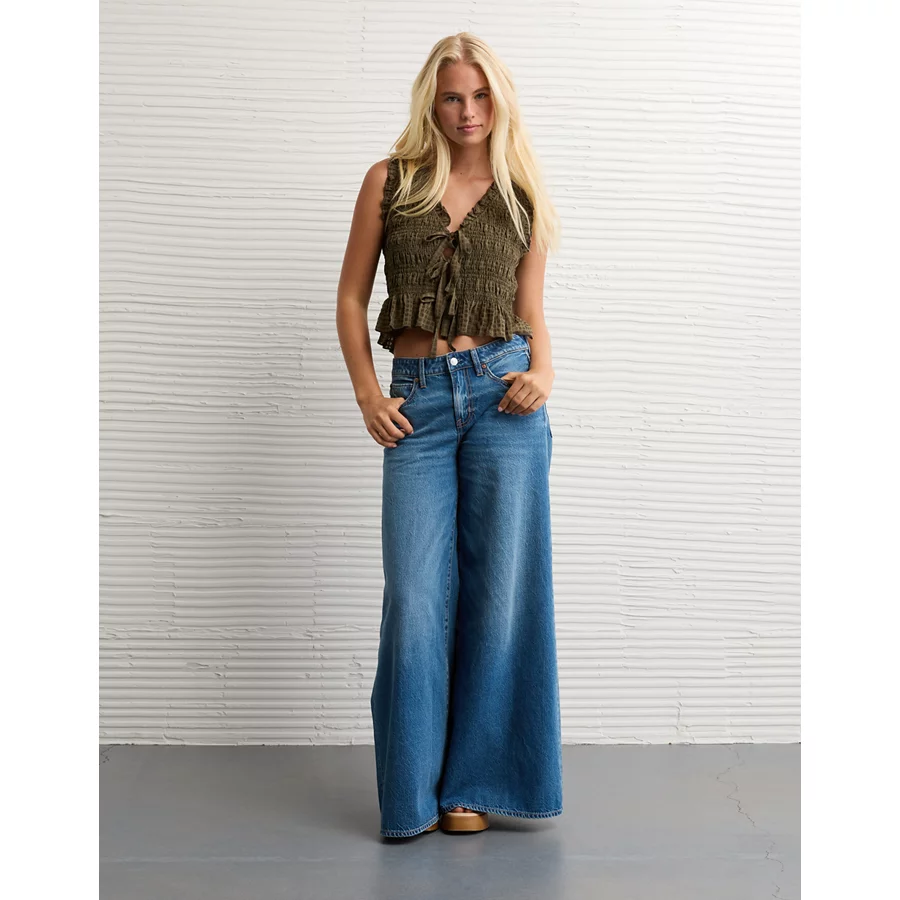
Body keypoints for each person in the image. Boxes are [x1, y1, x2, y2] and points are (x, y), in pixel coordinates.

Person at [336, 32, 563, 839]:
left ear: (499, 99)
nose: (468, 111)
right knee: (416, 596)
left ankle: (473, 784)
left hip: (506, 402)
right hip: (419, 404)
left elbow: (532, 313)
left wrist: (544, 371)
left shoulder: (521, 192)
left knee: (501, 595)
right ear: (430, 104)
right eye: (452, 97)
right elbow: (352, 297)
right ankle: (411, 793)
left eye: (480, 95)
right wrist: (369, 392)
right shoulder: (390, 181)